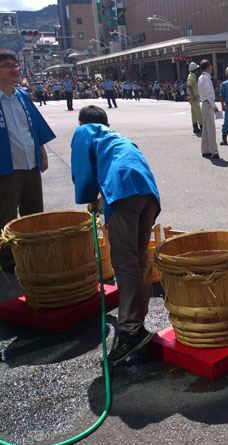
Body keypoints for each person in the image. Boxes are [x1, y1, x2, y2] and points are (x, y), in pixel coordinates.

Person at [70, 105, 160, 365]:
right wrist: (100, 200)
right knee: (139, 259)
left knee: (125, 263)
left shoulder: (85, 130)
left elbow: (83, 170)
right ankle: (137, 320)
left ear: (82, 123)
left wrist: (88, 198)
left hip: (123, 194)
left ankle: (131, 331)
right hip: (147, 193)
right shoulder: (117, 137)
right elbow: (123, 171)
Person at [0, 49, 55, 272]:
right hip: (6, 166)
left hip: (30, 162)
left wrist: (41, 153)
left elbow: (33, 128)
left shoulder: (22, 96)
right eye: (7, 65)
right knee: (6, 215)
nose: (14, 69)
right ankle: (7, 260)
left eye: (15, 65)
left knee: (34, 211)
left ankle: (35, 253)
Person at [197, 59, 220, 158]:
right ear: (208, 67)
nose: (211, 68)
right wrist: (214, 105)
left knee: (206, 128)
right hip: (208, 104)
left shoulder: (201, 77)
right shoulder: (206, 78)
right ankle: (214, 151)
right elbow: (209, 93)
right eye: (211, 66)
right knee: (211, 129)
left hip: (205, 103)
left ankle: (205, 149)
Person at [187, 62, 203, 134]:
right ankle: (202, 126)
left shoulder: (192, 76)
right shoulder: (191, 76)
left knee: (194, 113)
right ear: (195, 69)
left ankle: (195, 127)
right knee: (198, 112)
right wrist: (193, 95)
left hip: (193, 97)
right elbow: (189, 85)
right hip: (194, 97)